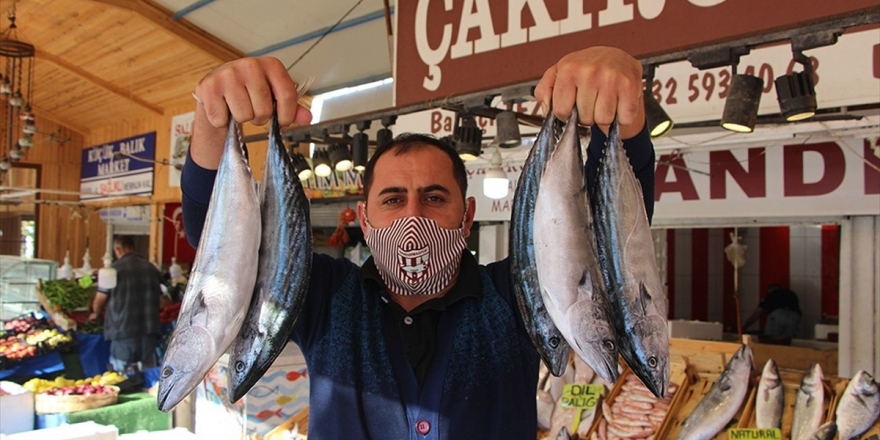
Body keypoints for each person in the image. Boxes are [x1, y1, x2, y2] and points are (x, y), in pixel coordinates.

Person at [180, 46, 655, 439]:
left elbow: (607, 243)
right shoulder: (323, 296)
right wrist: (213, 117)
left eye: (433, 197)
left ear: (466, 216)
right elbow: (222, 249)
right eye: (393, 199)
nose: (412, 216)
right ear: (364, 220)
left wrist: (622, 104)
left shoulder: (520, 298)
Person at [90, 236, 163, 372]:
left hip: (123, 330)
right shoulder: (151, 268)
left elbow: (100, 299)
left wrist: (95, 313)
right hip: (149, 330)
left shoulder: (112, 270)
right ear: (132, 247)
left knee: (123, 376)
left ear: (118, 250)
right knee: (149, 374)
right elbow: (162, 297)